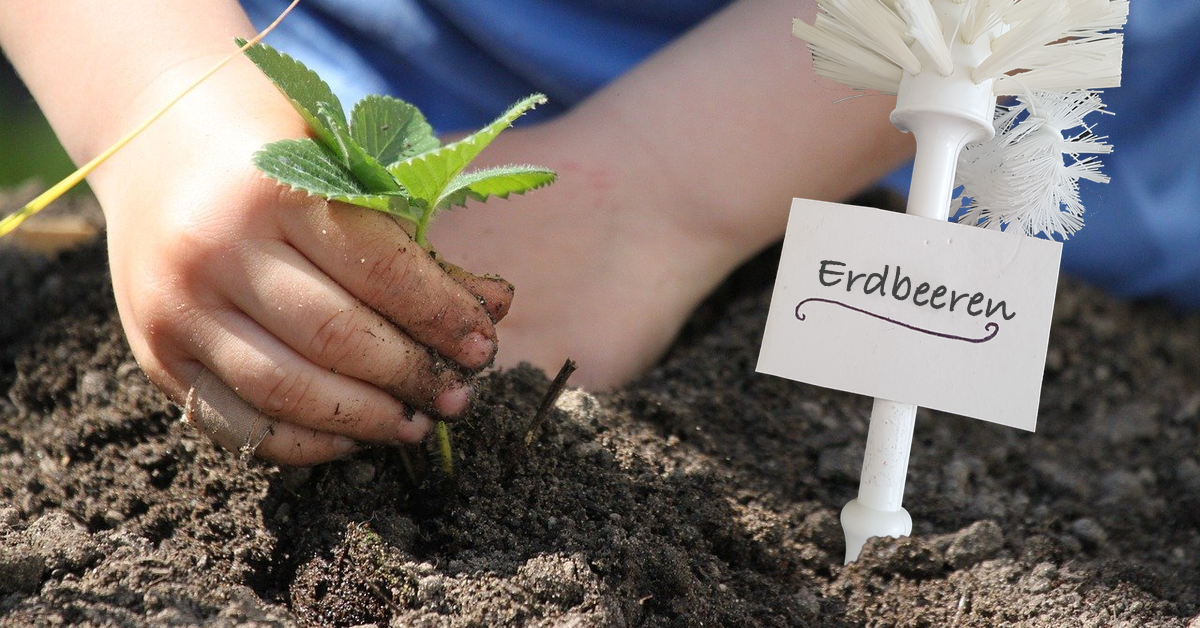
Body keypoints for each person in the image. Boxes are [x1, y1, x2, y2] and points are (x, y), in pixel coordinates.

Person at [1, 1, 1190, 466]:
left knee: (1009, 465)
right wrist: (160, 91)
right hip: (327, 123)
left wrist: (671, 184)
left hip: (961, 160)